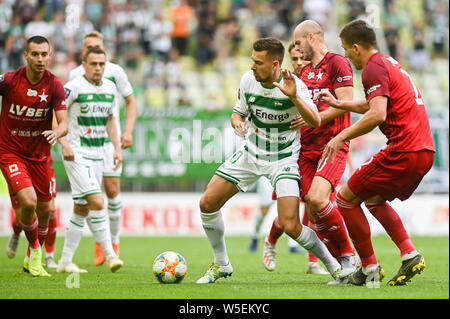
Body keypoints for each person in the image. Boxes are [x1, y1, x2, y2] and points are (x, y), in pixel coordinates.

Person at [196, 37, 341, 284]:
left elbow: (316, 120)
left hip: (282, 159)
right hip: (251, 153)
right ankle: (221, 264)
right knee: (207, 203)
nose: (253, 66)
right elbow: (237, 112)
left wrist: (294, 97)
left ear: (275, 64)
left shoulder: (295, 85)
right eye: (253, 61)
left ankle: (335, 267)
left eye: (258, 63)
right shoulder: (248, 80)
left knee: (291, 225)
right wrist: (238, 122)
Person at [317, 19, 435, 286]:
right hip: (424, 150)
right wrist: (342, 103)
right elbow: (375, 104)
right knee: (371, 199)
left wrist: (341, 135)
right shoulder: (388, 63)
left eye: (346, 49)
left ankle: (369, 267)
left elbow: (377, 113)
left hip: (403, 149)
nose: (346, 54)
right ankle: (409, 254)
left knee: (345, 199)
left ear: (357, 47)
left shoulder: (372, 69)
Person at [263, 21, 358, 283]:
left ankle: (349, 256)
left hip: (331, 144)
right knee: (310, 211)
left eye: (298, 41)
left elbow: (346, 103)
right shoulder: (303, 75)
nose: (295, 47)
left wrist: (315, 117)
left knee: (317, 200)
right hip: (303, 150)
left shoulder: (337, 63)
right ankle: (344, 262)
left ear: (312, 37)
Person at [0, 35, 68, 277]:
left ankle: (32, 255)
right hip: (10, 151)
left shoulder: (55, 85)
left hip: (39, 155)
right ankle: (36, 251)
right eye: (35, 54)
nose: (40, 59)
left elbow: (64, 123)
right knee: (28, 202)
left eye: (44, 54)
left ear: (49, 55)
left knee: (45, 209)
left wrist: (57, 132)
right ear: (26, 55)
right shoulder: (9, 81)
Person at [69, 31, 137, 266]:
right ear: (83, 53)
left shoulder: (115, 72)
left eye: (99, 47)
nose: (95, 50)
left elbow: (131, 101)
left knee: (112, 190)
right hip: (84, 145)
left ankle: (113, 242)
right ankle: (103, 244)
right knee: (91, 197)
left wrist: (126, 131)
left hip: (110, 142)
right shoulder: (75, 77)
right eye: (90, 47)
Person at [57, 46, 124, 274]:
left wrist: (116, 148)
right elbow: (53, 115)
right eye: (93, 64)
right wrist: (63, 143)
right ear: (83, 65)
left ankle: (65, 261)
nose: (98, 68)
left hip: (98, 155)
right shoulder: (72, 88)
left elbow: (110, 120)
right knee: (98, 201)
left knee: (82, 208)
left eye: (101, 64)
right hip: (76, 153)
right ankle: (111, 255)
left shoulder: (110, 88)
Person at [6, 154, 59, 269]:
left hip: (43, 163)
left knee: (49, 209)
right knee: (22, 218)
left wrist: (63, 141)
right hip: (19, 161)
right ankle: (16, 234)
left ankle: (46, 257)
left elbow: (61, 136)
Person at [248, 176, 304, 254]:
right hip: (267, 174)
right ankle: (255, 237)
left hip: (285, 172)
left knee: (291, 207)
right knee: (264, 211)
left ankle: (293, 245)